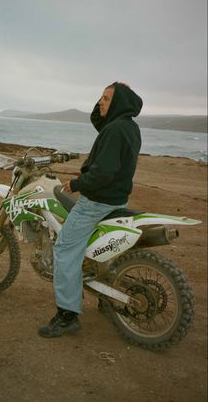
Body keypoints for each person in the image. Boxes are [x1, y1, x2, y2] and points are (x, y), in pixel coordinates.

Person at [38, 81, 143, 338]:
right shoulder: (128, 126)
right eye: (101, 98)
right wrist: (113, 90)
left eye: (107, 99)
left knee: (64, 249)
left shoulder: (115, 130)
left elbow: (103, 173)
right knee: (99, 252)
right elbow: (98, 119)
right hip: (116, 200)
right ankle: (107, 298)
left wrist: (76, 183)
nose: (102, 102)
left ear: (118, 103)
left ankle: (67, 315)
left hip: (96, 203)